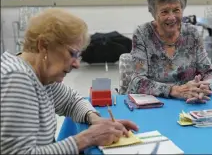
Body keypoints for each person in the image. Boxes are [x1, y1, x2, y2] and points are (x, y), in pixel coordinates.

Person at [0, 8, 138, 154]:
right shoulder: (17, 78)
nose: (76, 64)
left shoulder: (40, 76)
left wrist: (95, 119)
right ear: (43, 45)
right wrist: (88, 138)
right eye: (72, 53)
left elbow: (71, 101)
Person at [127, 0, 212, 104]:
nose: (172, 17)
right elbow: (136, 81)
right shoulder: (142, 34)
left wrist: (205, 87)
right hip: (155, 104)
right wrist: (175, 90)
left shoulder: (192, 33)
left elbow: (209, 73)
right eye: (164, 11)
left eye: (176, 10)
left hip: (188, 102)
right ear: (153, 13)